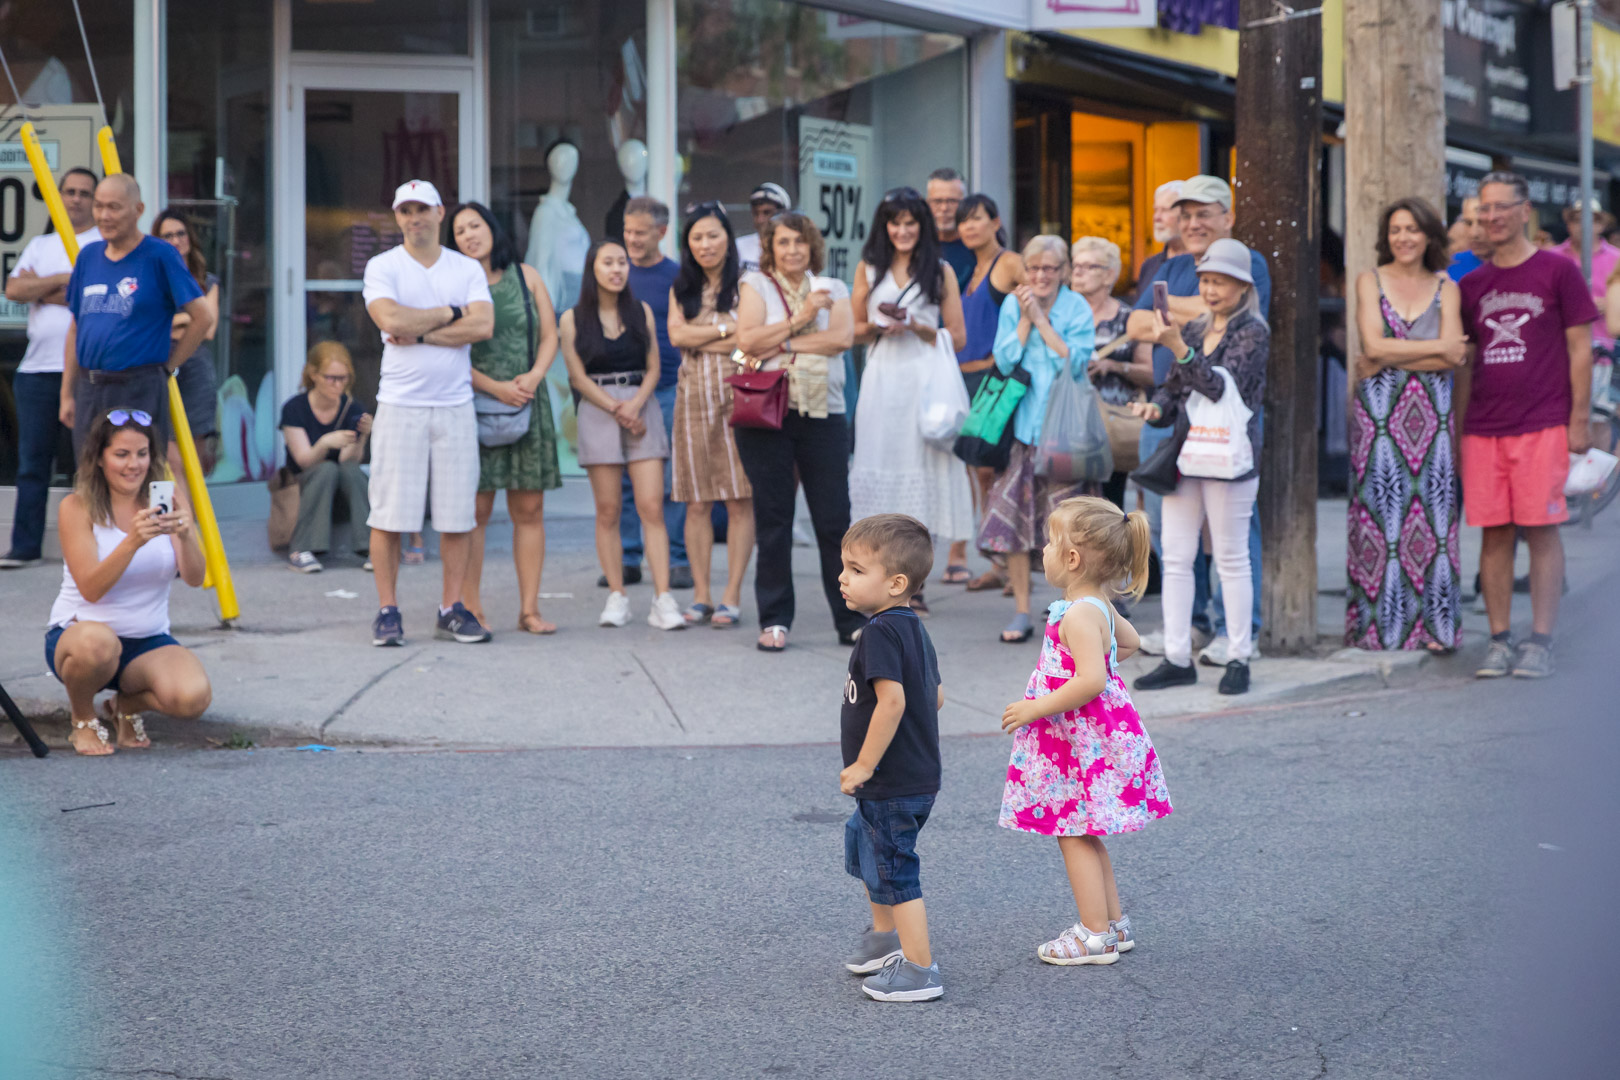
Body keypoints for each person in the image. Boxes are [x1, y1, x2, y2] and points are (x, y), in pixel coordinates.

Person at [998, 497, 1171, 964]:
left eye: (1052, 543)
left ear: (1072, 559)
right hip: (1090, 736)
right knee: (1086, 829)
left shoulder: (1078, 613)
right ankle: (1113, 925)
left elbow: (1091, 680)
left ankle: (1093, 936)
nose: (1045, 550)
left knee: (1073, 831)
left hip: (1076, 742)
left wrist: (1037, 706)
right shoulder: (1097, 604)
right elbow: (1129, 643)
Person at [1458, 171, 1597, 679]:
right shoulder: (1470, 284)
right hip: (1484, 427)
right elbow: (1467, 363)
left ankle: (1540, 639)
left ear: (1525, 209)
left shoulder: (1558, 272)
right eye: (1483, 210)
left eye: (1500, 207)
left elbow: (1580, 349)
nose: (1491, 218)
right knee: (1494, 533)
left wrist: (1577, 421)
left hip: (1542, 421)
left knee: (1541, 530)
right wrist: (1459, 432)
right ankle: (1499, 640)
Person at [1127, 175, 1271, 664]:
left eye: (1204, 213)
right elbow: (1136, 322)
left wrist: (1173, 328)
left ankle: (1238, 638)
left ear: (1227, 218)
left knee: (1231, 539)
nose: (1192, 223)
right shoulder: (1166, 264)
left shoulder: (1249, 265)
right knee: (1175, 540)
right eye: (1184, 214)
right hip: (1173, 418)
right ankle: (1187, 634)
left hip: (1226, 432)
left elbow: (1205, 359)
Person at [361, 179, 496, 647]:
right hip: (400, 406)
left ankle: (450, 608)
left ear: (441, 213)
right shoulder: (383, 266)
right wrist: (451, 313)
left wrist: (421, 331)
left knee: (458, 516)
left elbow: (484, 325)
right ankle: (387, 609)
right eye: (405, 211)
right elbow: (390, 320)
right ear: (397, 217)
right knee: (389, 516)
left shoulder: (465, 267)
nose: (413, 218)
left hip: (455, 405)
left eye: (422, 209)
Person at [46, 408, 210, 756]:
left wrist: (187, 534)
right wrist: (133, 541)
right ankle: (83, 719)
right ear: (100, 459)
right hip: (81, 637)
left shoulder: (165, 501)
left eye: (141, 453)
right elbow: (90, 588)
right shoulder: (77, 506)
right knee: (99, 645)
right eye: (121, 454)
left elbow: (195, 579)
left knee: (193, 697)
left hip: (146, 641)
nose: (132, 464)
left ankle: (127, 706)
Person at [735, 210, 862, 652]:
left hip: (824, 413)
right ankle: (774, 619)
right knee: (774, 519)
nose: (792, 250)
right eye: (783, 242)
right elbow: (746, 341)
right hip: (769, 414)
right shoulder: (755, 285)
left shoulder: (835, 288)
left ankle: (849, 620)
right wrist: (804, 316)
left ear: (813, 247)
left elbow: (841, 340)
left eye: (800, 242)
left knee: (833, 520)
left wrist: (783, 342)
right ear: (771, 248)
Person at [1346, 199, 1466, 652]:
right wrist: (1433, 351)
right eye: (1396, 229)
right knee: (1382, 515)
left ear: (1429, 236)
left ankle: (1436, 628)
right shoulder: (1369, 280)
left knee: (1434, 518)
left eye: (1413, 229)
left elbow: (1455, 355)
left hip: (1432, 416)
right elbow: (1371, 344)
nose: (1404, 238)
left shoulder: (1446, 287)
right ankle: (1381, 628)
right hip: (1379, 415)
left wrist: (1390, 354)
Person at [836, 513, 945, 1002]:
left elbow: (895, 701)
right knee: (865, 842)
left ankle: (921, 969)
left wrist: (864, 764)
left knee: (896, 867)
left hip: (891, 780)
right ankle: (884, 939)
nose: (843, 577)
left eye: (857, 570)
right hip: (913, 777)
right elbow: (936, 696)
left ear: (896, 582)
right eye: (845, 567)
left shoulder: (880, 632)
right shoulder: (911, 627)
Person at [849, 186, 971, 616]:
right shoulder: (868, 267)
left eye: (910, 222)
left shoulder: (939, 271)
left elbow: (957, 336)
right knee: (881, 464)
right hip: (883, 379)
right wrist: (878, 326)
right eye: (895, 222)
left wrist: (919, 326)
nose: (902, 230)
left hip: (924, 379)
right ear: (885, 225)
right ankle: (875, 575)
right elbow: (854, 329)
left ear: (922, 226)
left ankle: (912, 583)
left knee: (922, 472)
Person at [445, 201, 563, 635]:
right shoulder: (453, 285)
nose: (469, 235)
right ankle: (471, 607)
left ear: (492, 228)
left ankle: (529, 610)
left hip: (528, 400)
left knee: (529, 507)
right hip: (472, 401)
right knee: (476, 509)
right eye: (459, 231)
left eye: (475, 225)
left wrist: (532, 377)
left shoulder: (526, 276)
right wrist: (496, 388)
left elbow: (551, 334)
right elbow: (448, 348)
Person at [560, 239, 685, 631]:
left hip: (641, 404)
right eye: (608, 262)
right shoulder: (573, 318)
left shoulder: (641, 311)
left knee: (652, 505)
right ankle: (618, 595)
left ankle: (663, 597)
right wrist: (615, 408)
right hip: (598, 408)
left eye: (622, 263)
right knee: (609, 509)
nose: (617, 269)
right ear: (592, 269)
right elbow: (576, 376)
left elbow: (654, 367)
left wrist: (634, 405)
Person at [977, 235, 1096, 645]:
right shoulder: (1014, 304)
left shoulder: (1075, 306)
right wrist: (1026, 318)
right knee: (1013, 524)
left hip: (1065, 435)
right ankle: (1023, 610)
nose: (1041, 275)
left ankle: (1068, 612)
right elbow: (1005, 359)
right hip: (1025, 432)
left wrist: (1043, 323)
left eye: (1049, 268)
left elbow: (1075, 362)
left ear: (1063, 271)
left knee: (1068, 530)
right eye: (1034, 268)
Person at [59, 174, 212, 455]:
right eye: (99, 206)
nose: (104, 215)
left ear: (138, 210)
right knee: (90, 475)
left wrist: (169, 366)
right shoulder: (88, 256)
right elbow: (75, 327)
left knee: (137, 476)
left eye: (114, 207)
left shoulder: (160, 255)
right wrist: (66, 394)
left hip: (138, 387)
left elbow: (203, 317)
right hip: (90, 386)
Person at [1, 166, 100, 569]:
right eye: (69, 192)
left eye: (84, 193)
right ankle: (24, 547)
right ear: (58, 197)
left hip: (88, 372)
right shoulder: (42, 245)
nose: (76, 199)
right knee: (32, 463)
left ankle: (91, 548)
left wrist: (44, 290)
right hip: (36, 372)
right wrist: (60, 279)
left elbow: (88, 299)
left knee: (88, 463)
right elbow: (13, 289)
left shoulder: (102, 246)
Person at [667, 200, 755, 627]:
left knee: (740, 498)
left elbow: (750, 340)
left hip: (739, 397)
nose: (705, 244)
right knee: (696, 501)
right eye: (697, 237)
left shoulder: (747, 285)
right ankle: (701, 595)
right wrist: (725, 331)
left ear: (728, 238)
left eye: (713, 235)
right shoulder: (680, 286)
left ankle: (731, 595)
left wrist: (703, 338)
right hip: (693, 400)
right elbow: (676, 335)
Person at [609, 197, 691, 590]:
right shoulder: (616, 274)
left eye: (640, 232)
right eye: (627, 231)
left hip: (669, 388)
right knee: (625, 476)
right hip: (623, 389)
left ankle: (677, 559)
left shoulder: (678, 276)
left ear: (661, 232)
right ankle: (627, 558)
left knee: (673, 478)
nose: (631, 239)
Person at [947, 193, 1025, 589]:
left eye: (977, 218)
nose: (969, 227)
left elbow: (1037, 302)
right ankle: (997, 561)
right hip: (965, 379)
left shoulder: (1009, 263)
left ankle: (1012, 566)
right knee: (978, 473)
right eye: (964, 221)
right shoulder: (969, 270)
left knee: (995, 470)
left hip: (993, 380)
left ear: (996, 221)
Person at [1073, 236, 1154, 511]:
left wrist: (1114, 366)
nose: (1079, 273)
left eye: (1089, 266)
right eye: (1075, 266)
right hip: (1066, 424)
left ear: (1109, 275)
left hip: (1110, 428)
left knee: (1109, 504)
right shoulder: (1060, 316)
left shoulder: (1129, 319)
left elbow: (1150, 373)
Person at [279, 342, 372, 572]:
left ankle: (373, 547)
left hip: (340, 487)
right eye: (331, 378)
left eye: (343, 378)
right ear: (314, 375)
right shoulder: (295, 408)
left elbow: (349, 461)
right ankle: (301, 549)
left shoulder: (352, 407)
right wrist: (324, 443)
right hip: (304, 486)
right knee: (325, 469)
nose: (338, 385)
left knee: (349, 470)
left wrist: (362, 436)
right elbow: (303, 461)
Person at [153, 209, 220, 475]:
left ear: (190, 238)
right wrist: (190, 320)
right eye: (167, 235)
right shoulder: (152, 276)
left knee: (195, 457)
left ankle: (192, 515)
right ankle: (181, 516)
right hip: (159, 364)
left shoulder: (207, 280)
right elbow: (149, 325)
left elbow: (208, 329)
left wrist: (173, 321)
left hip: (196, 371)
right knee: (167, 454)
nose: (176, 240)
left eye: (180, 233)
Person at [1550, 200, 1618, 363]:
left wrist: (1610, 305)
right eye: (1576, 220)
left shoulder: (1617, 258)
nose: (1582, 225)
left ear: (1601, 225)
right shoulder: (1551, 257)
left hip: (1606, 354)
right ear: (1568, 225)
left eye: (1590, 220)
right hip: (1560, 353)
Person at [1133, 180, 1186, 299]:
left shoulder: (1203, 263)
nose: (1157, 217)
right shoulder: (1150, 265)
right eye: (1155, 210)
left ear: (1186, 214)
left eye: (1165, 210)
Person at [925, 167, 973, 293]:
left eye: (952, 201)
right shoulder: (915, 244)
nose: (944, 208)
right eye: (937, 201)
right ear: (927, 203)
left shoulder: (978, 246)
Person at [734, 182, 791, 274]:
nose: (760, 220)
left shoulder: (793, 248)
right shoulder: (739, 246)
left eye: (767, 213)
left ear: (783, 214)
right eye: (756, 213)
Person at [1447, 196, 1490, 283]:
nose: (1474, 233)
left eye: (1482, 222)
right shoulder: (1450, 265)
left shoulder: (1519, 266)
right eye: (1468, 223)